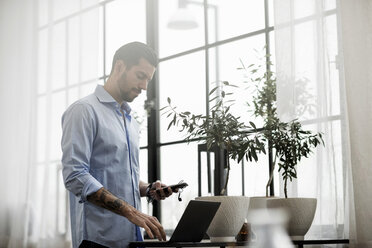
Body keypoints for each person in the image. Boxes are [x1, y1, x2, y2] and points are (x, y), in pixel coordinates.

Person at [61, 42, 174, 248]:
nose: (144, 87)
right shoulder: (83, 111)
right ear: (119, 66)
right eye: (140, 76)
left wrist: (148, 189)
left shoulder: (130, 121)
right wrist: (132, 212)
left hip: (132, 239)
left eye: (148, 80)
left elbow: (119, 176)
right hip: (98, 241)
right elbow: (75, 176)